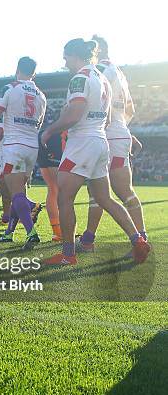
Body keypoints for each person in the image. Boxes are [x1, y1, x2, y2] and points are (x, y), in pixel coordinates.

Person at [40, 38, 150, 265]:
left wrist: (49, 130)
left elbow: (75, 112)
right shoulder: (102, 79)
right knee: (105, 198)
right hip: (101, 142)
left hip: (82, 143)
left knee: (64, 198)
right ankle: (138, 240)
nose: (64, 61)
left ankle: (68, 254)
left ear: (75, 56)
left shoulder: (80, 78)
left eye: (66, 56)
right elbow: (109, 117)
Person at [76, 35, 147, 252]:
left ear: (97, 52)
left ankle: (88, 241)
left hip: (105, 134)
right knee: (125, 191)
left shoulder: (100, 72)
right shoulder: (120, 73)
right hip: (120, 133)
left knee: (97, 191)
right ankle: (141, 237)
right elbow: (130, 110)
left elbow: (98, 104)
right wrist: (121, 127)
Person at [0, 57, 47, 250]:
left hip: (14, 145)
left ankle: (31, 232)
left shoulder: (9, 88)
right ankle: (9, 233)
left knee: (15, 193)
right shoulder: (41, 95)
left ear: (17, 69)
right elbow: (40, 124)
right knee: (19, 190)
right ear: (34, 73)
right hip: (31, 147)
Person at [37, 125, 67, 242]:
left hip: (47, 134)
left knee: (53, 189)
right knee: (58, 189)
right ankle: (60, 231)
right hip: (54, 136)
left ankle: (57, 231)